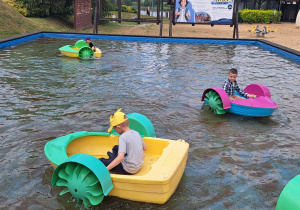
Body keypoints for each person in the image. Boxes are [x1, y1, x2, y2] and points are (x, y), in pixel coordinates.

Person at [99, 109, 147, 175]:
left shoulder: (123, 137)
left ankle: (112, 160)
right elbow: (145, 148)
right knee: (116, 148)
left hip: (128, 169)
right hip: (138, 166)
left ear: (118, 127)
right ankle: (112, 158)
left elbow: (120, 157)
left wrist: (106, 170)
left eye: (114, 128)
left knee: (101, 161)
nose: (115, 130)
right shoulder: (136, 133)